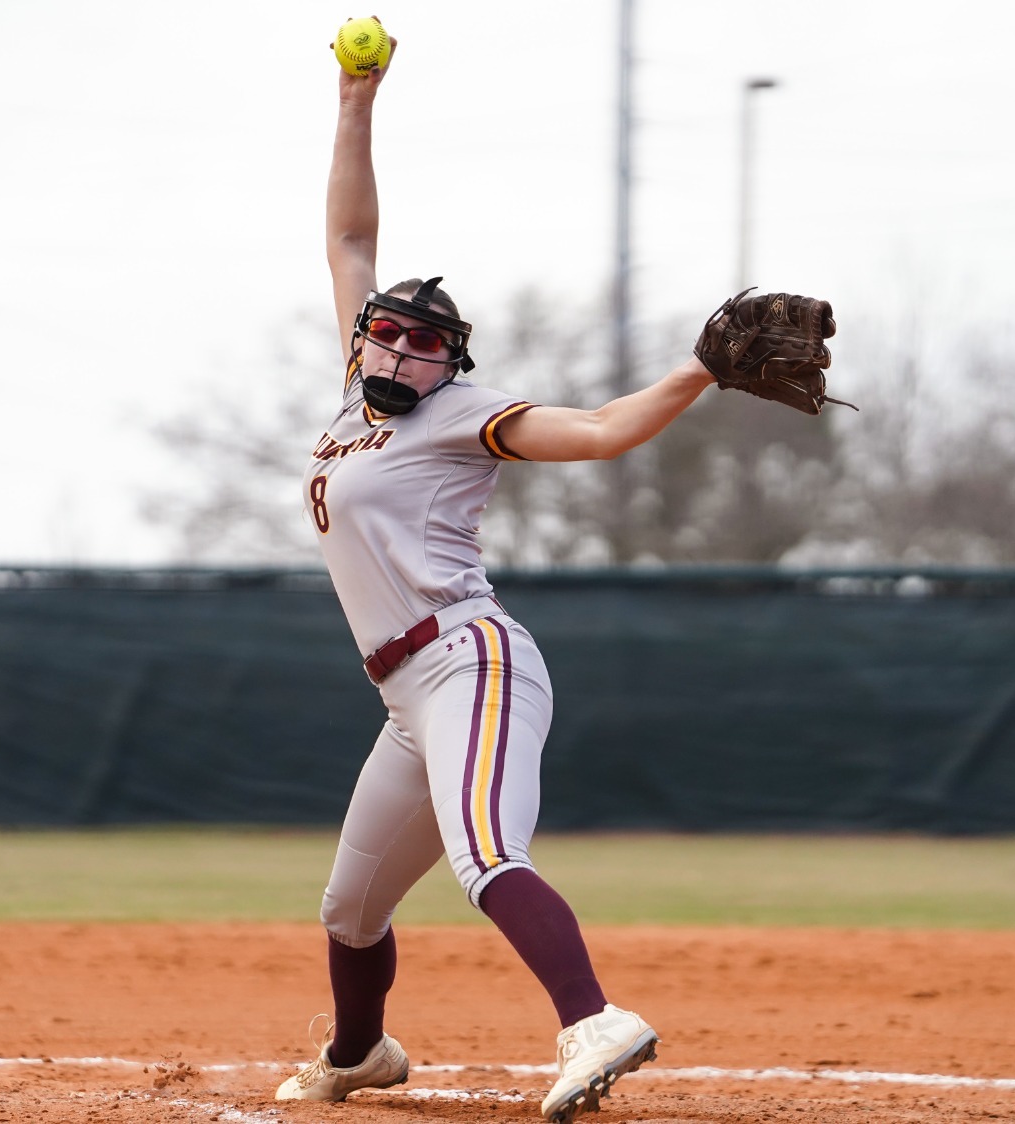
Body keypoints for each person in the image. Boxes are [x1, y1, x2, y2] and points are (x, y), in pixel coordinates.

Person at [277, 25, 722, 1124]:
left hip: (467, 662)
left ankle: (592, 1019)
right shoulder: (353, 404)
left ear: (451, 367)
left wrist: (699, 368)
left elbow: (608, 429)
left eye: (425, 345)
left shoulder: (462, 414)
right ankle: (360, 1049)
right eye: (386, 334)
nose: (397, 351)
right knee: (348, 907)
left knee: (484, 853)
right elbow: (346, 236)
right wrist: (352, 101)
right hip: (401, 698)